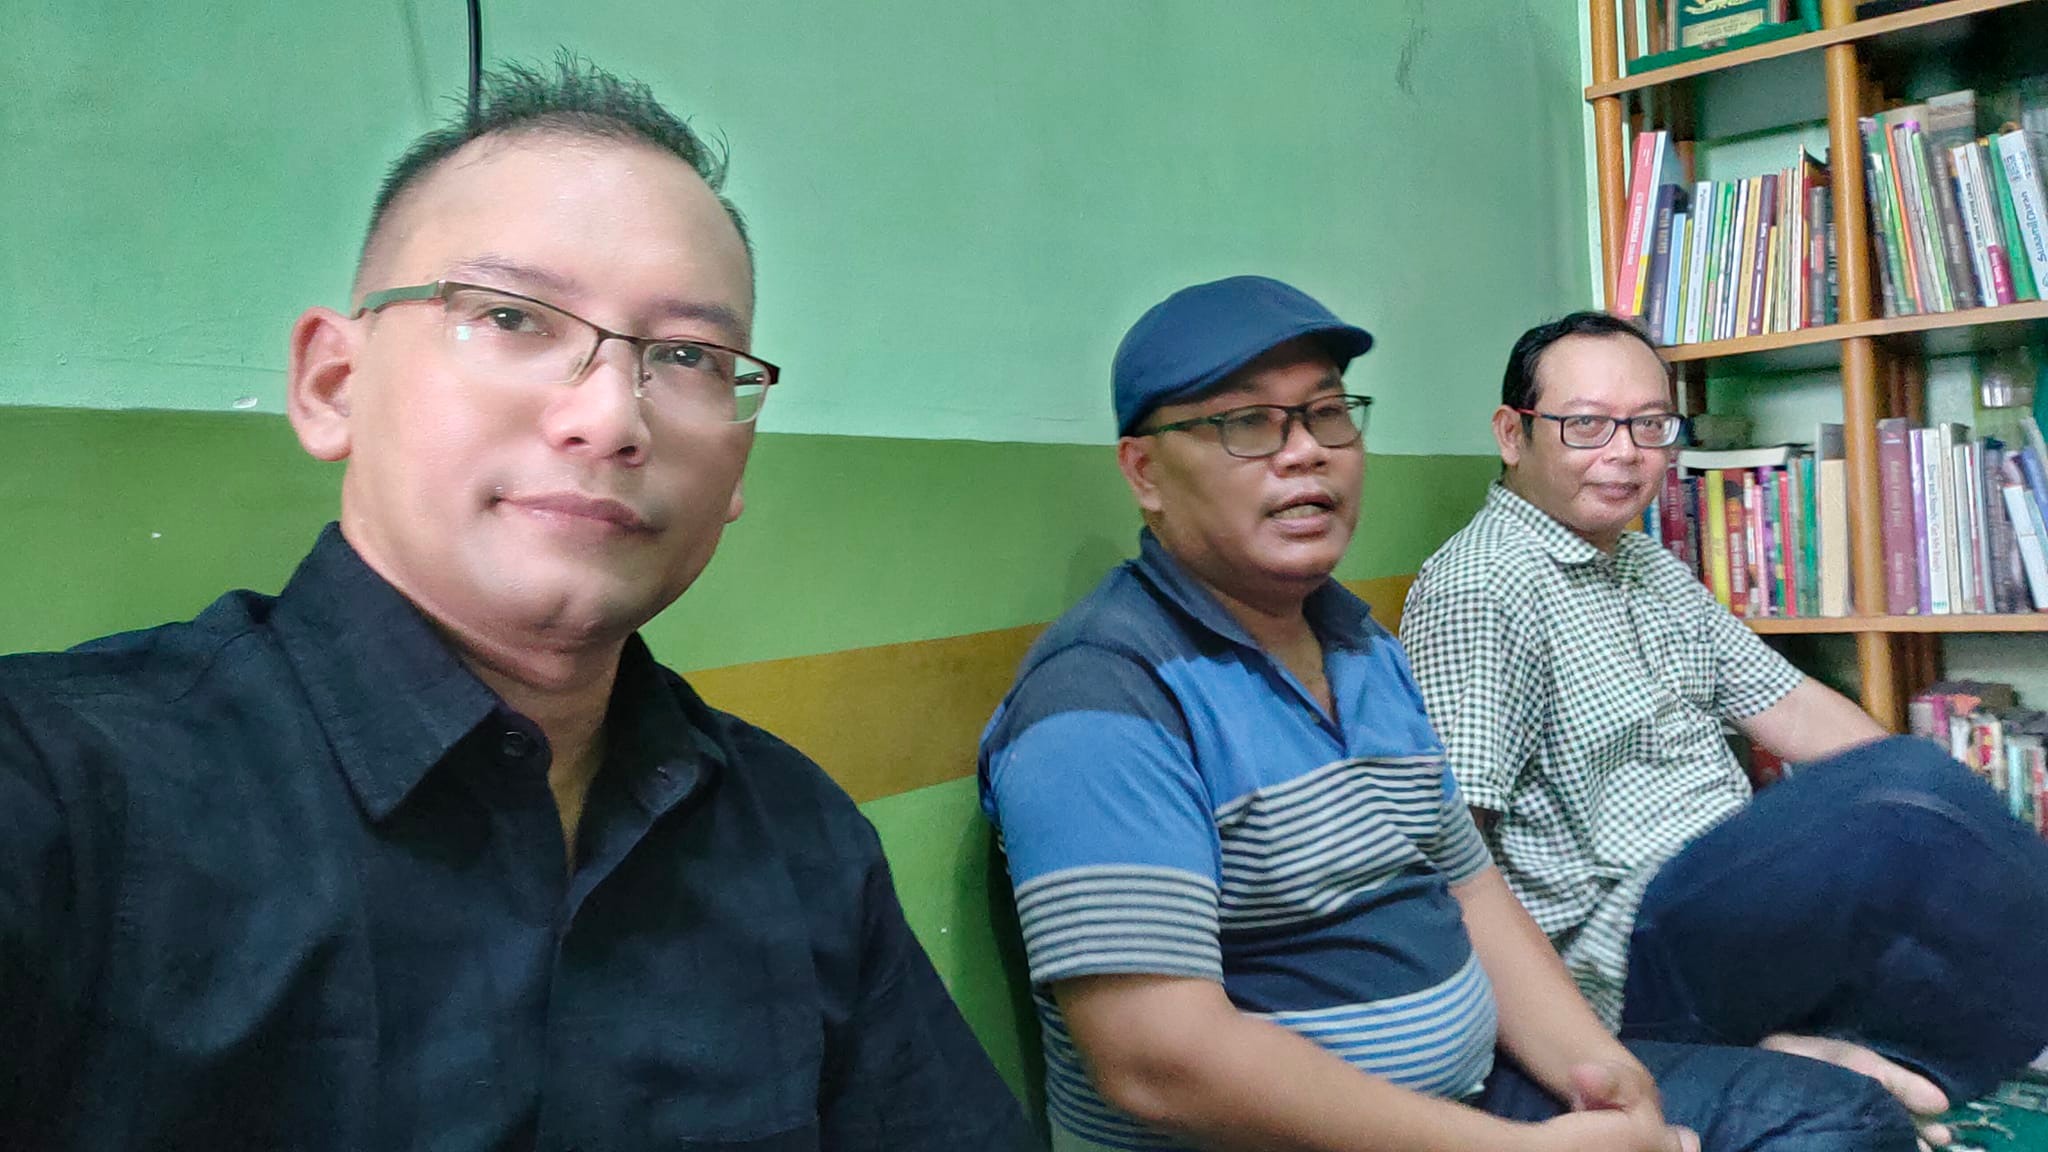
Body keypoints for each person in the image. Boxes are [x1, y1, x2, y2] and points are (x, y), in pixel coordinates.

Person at [0, 58, 1032, 1151]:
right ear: (332, 386)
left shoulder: (798, 836)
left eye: (688, 355)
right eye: (510, 316)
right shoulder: (60, 797)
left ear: (737, 471)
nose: (611, 418)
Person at [979, 276, 1918, 1152]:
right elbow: (1159, 1063)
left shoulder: (1357, 646)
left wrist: (1615, 1086)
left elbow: (1470, 889)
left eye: (1326, 411)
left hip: (1475, 1097)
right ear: (1144, 471)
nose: (1305, 449)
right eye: (1248, 424)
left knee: (1844, 1118)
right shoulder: (1100, 698)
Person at [1401, 309, 2048, 1144]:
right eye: (1587, 424)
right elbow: (1454, 850)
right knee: (1910, 792)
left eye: (1650, 424)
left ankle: (1848, 1052)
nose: (1625, 452)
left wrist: (1934, 836)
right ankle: (1864, 1050)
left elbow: (1798, 710)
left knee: (1915, 796)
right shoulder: (1480, 588)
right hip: (1621, 956)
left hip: (1720, 904)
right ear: (1512, 434)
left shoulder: (1642, 562)